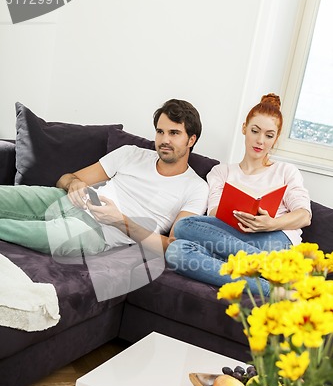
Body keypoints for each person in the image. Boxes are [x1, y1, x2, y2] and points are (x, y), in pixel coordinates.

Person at [0, 99, 209, 258]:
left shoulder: (196, 188)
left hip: (98, 232)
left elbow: (173, 246)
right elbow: (66, 178)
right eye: (160, 131)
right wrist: (74, 184)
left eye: (174, 133)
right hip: (66, 201)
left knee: (30, 232)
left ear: (191, 139)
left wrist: (121, 221)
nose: (164, 140)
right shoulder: (131, 153)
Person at [165, 94, 312, 296]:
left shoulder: (286, 171)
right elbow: (215, 213)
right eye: (255, 131)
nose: (260, 140)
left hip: (274, 240)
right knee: (176, 249)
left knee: (182, 226)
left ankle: (273, 266)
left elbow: (304, 215)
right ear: (244, 128)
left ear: (276, 138)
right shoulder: (220, 172)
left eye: (269, 135)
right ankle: (274, 287)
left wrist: (270, 223)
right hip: (229, 239)